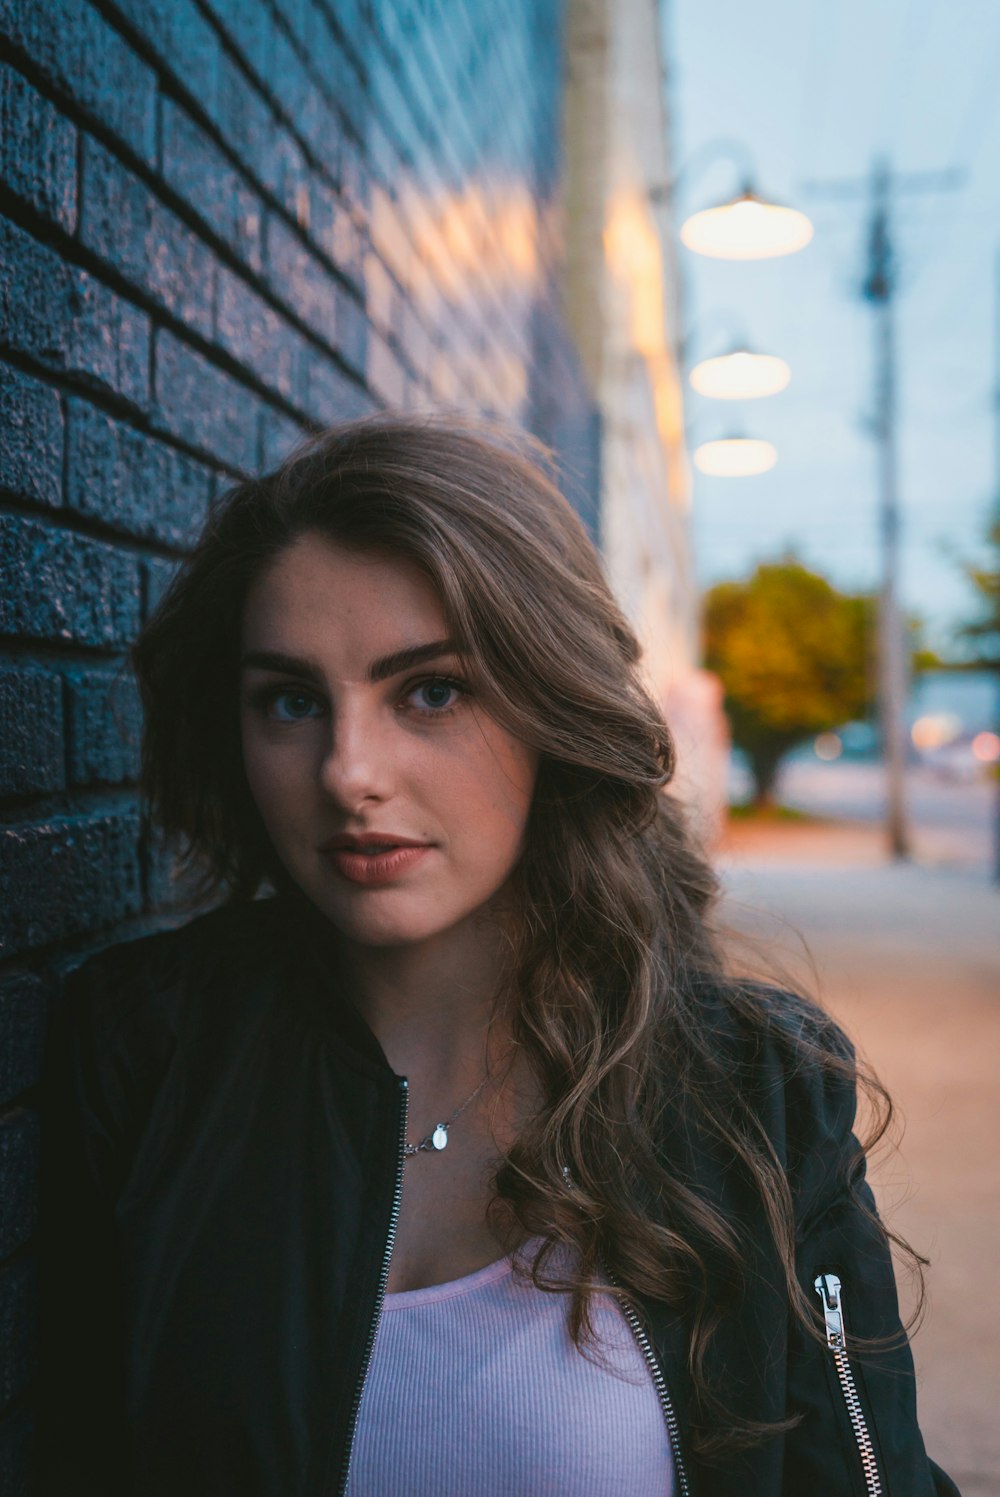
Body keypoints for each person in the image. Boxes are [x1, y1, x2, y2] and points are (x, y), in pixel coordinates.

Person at [36, 415, 958, 1497]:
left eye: (430, 690)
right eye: (290, 701)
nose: (349, 771)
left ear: (548, 705)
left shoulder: (750, 1085)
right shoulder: (150, 1045)